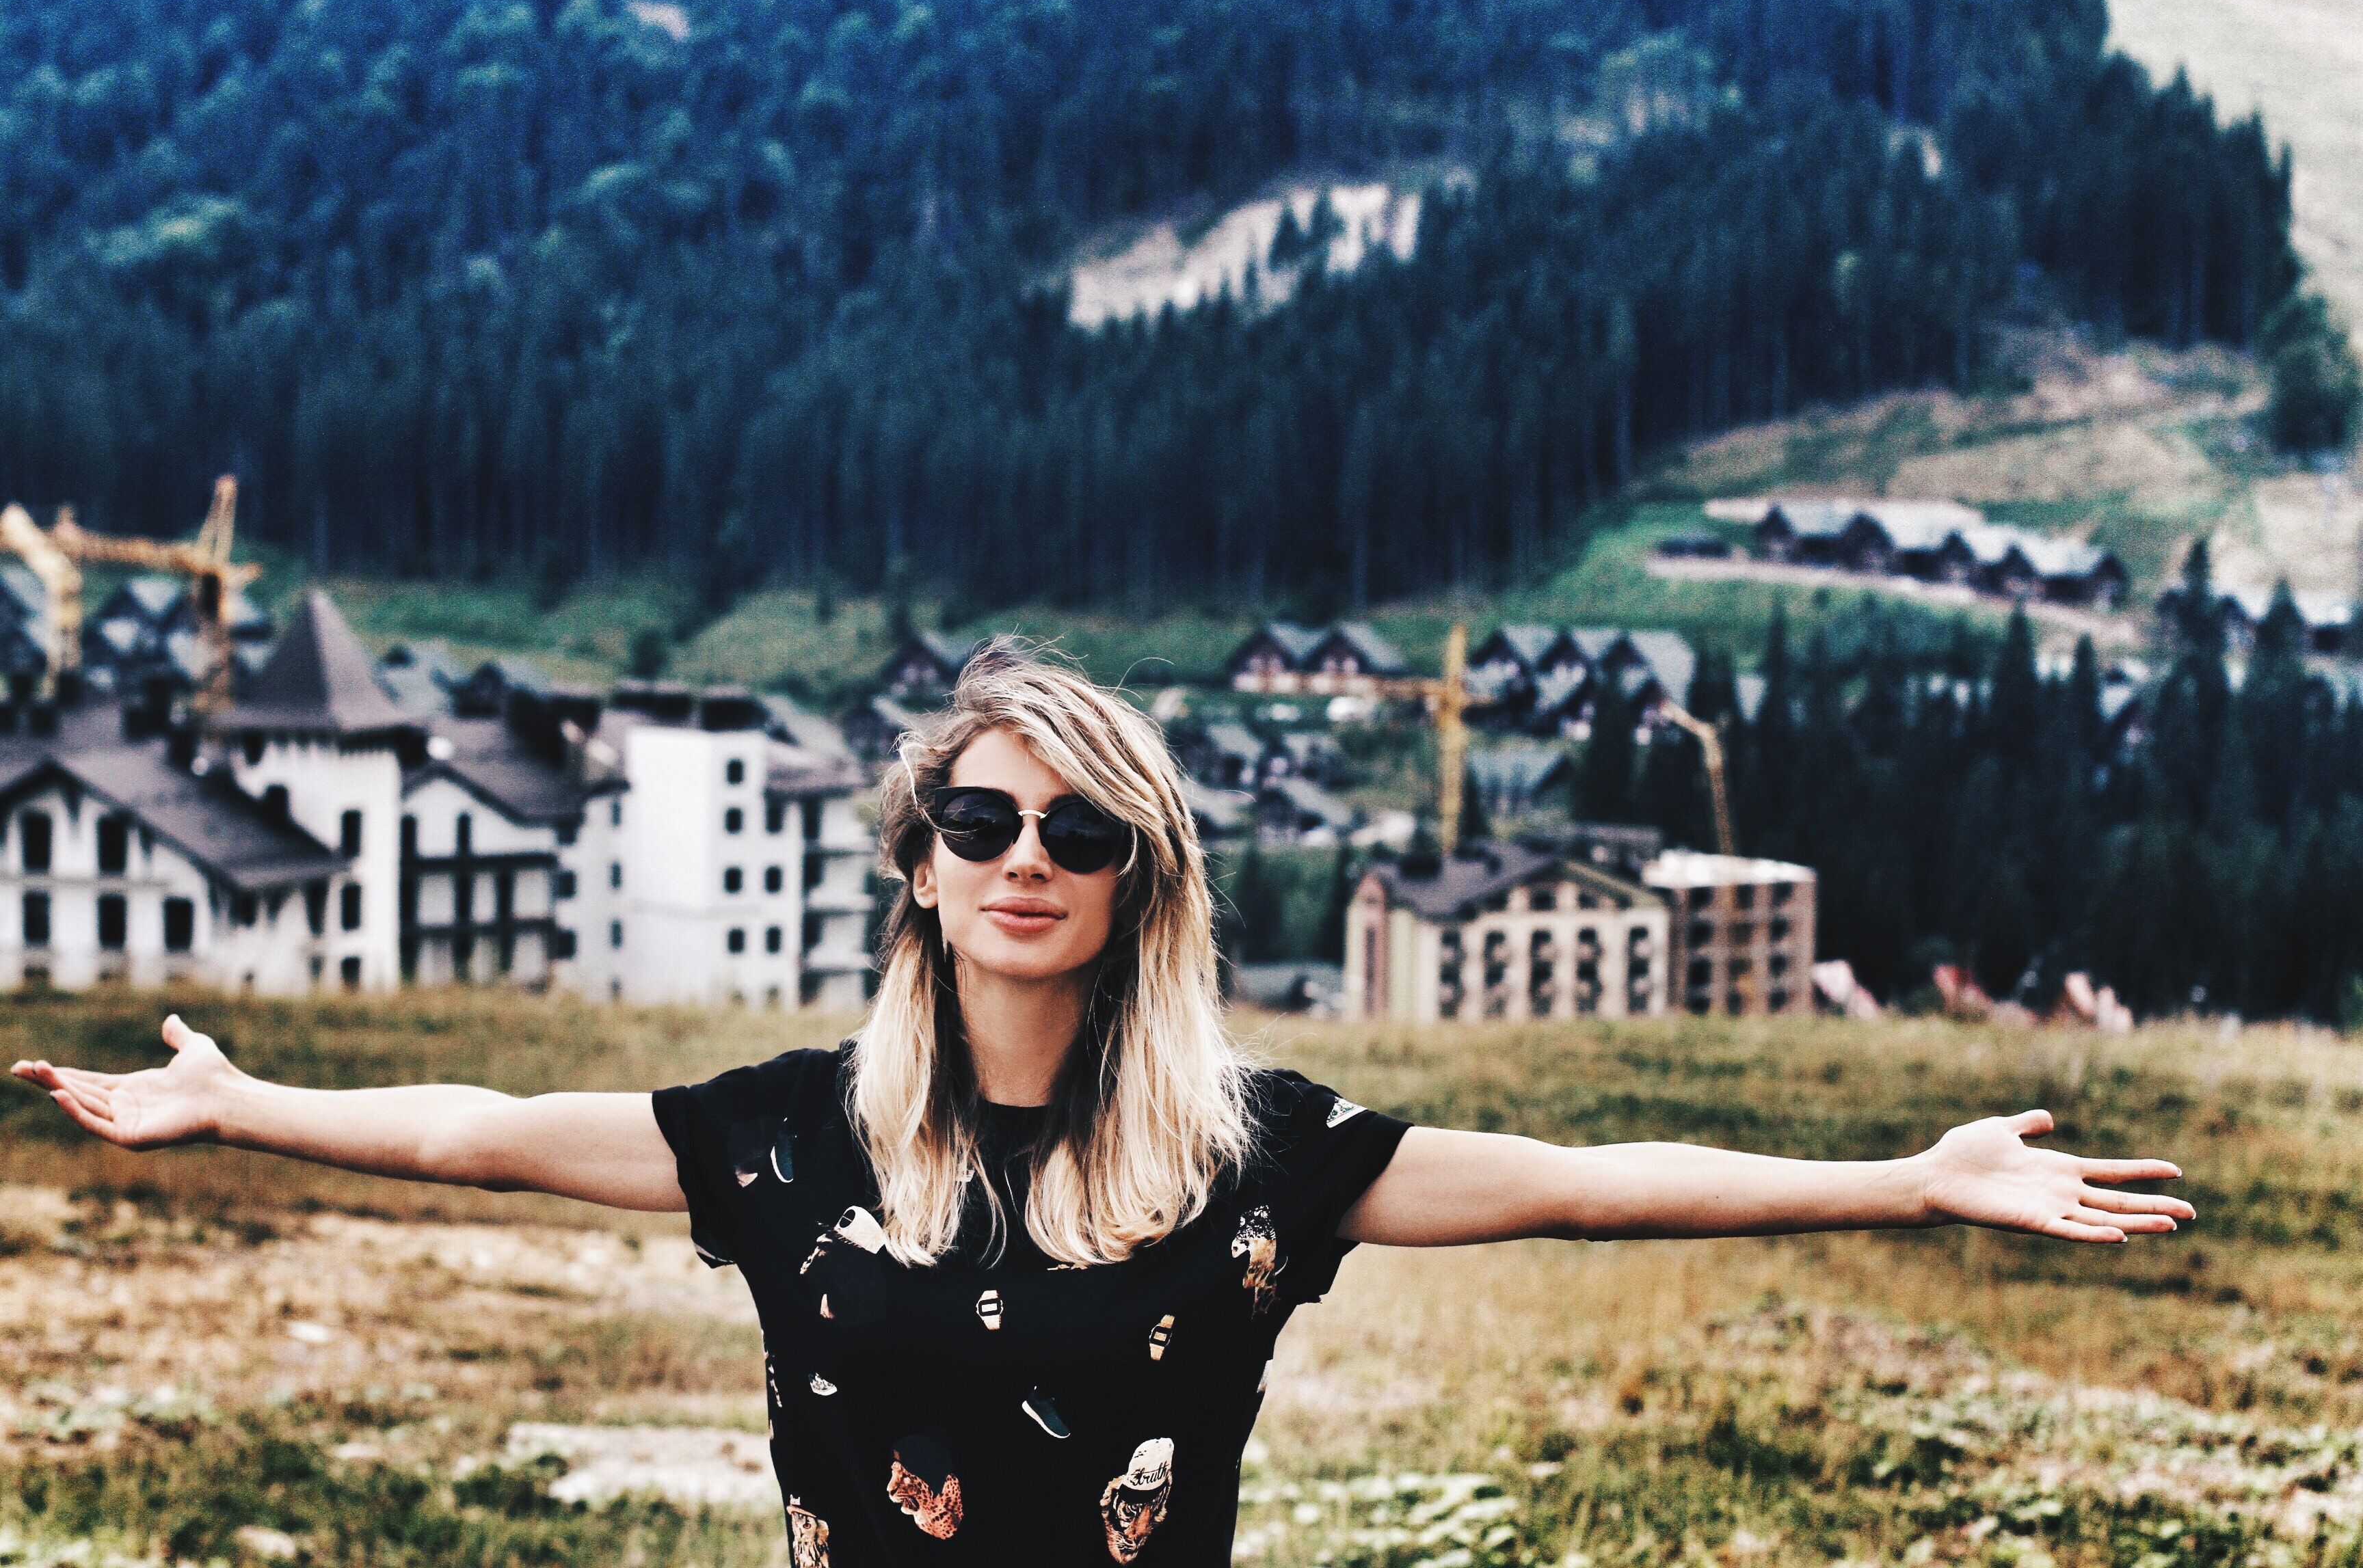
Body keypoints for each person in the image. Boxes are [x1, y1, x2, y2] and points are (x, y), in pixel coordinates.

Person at [11, 643, 2192, 1568]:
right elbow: (478, 1130)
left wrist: (1910, 1179)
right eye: (980, 820)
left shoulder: (1253, 1160)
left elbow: (1590, 1185)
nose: (1025, 858)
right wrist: (247, 1103)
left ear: (1142, 875)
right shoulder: (786, 1142)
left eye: (1078, 829)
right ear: (920, 864)